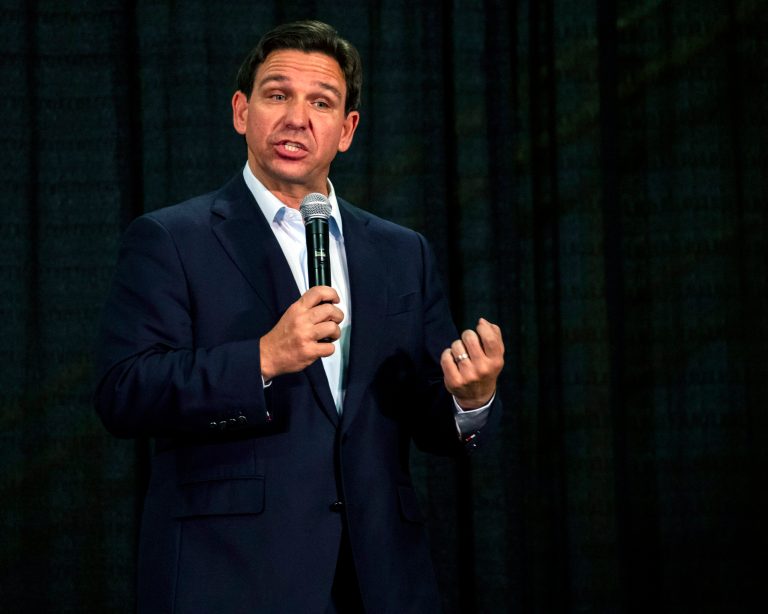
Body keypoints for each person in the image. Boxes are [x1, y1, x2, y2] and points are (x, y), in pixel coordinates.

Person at [94, 20, 504, 614]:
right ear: (242, 111)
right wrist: (262, 358)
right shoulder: (170, 238)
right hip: (230, 574)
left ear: (347, 130)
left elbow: (423, 414)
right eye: (277, 94)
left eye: (321, 102)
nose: (297, 118)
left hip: (380, 575)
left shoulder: (400, 251)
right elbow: (122, 391)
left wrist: (471, 399)